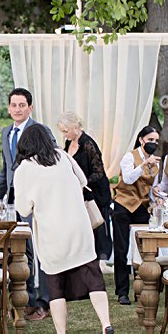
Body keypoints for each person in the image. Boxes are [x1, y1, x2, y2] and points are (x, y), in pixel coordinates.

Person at [13, 124, 115, 334]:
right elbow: (83, 182)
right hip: (79, 227)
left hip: (52, 233)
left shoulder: (25, 169)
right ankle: (106, 326)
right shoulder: (63, 156)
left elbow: (24, 209)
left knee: (56, 287)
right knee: (93, 279)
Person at [0, 87, 53, 320]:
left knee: (38, 251)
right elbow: (6, 170)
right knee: (19, 252)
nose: (17, 109)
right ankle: (25, 298)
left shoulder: (41, 131)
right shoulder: (6, 132)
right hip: (13, 203)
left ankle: (44, 302)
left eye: (21, 105)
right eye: (13, 105)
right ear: (9, 108)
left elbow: (52, 162)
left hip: (37, 202)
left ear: (30, 108)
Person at [111, 126, 161, 305]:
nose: (153, 144)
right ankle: (122, 292)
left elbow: (152, 187)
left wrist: (157, 197)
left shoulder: (156, 162)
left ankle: (144, 287)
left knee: (145, 249)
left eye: (156, 141)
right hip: (123, 205)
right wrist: (143, 165)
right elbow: (129, 178)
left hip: (141, 206)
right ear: (141, 140)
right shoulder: (129, 156)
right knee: (121, 249)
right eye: (150, 140)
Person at [57, 111, 113, 261]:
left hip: (95, 193)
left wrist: (82, 183)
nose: (64, 135)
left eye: (65, 131)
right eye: (62, 131)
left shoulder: (88, 144)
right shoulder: (69, 143)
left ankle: (100, 259)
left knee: (97, 227)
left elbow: (99, 172)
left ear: (75, 127)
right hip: (78, 193)